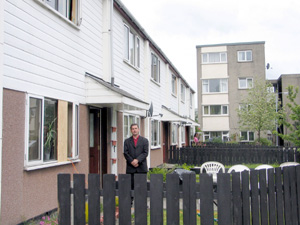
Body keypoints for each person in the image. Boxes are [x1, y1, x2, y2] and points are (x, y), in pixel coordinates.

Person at [123, 123, 149, 205]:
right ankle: (130, 202)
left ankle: (142, 203)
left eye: (136, 128)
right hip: (131, 168)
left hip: (141, 167)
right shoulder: (127, 141)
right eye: (133, 128)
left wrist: (137, 160)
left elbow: (145, 153)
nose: (134, 130)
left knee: (142, 186)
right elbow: (125, 153)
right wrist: (132, 162)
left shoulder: (144, 141)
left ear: (138, 129)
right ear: (131, 130)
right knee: (130, 186)